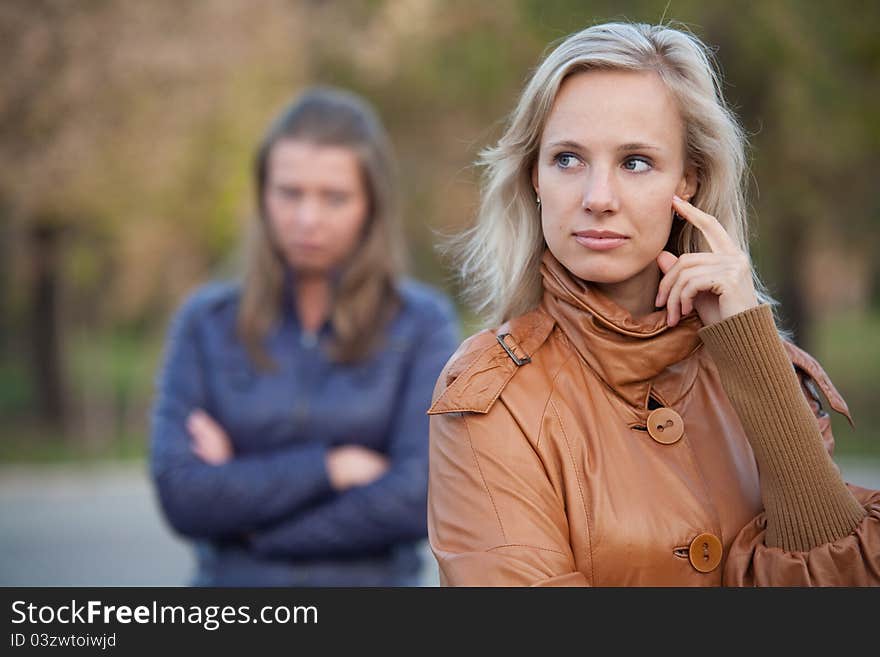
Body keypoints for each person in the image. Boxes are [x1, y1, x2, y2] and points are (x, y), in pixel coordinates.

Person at [427, 22, 879, 586]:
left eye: (635, 162)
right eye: (568, 159)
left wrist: (752, 355)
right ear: (534, 176)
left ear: (688, 180)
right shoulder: (491, 397)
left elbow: (842, 584)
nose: (597, 199)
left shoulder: (765, 371)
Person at [150, 87, 459, 586]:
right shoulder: (206, 322)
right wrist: (331, 468)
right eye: (289, 193)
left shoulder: (421, 323)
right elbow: (183, 496)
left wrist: (255, 527)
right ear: (263, 195)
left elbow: (417, 496)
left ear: (371, 205)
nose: (306, 219)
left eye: (334, 198)